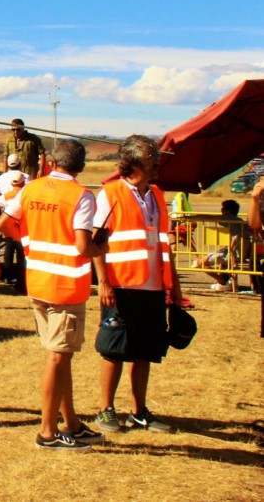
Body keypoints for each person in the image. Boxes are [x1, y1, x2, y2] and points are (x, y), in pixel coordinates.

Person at [0, 139, 108, 450]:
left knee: (61, 357)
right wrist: (103, 246)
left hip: (39, 283)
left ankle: (71, 422)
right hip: (66, 286)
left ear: (54, 162)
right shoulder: (81, 196)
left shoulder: (32, 189)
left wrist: (30, 242)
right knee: (57, 357)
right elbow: (83, 246)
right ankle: (47, 431)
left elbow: (4, 223)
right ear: (81, 167)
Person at [93, 135, 184, 434]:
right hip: (121, 284)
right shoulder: (110, 193)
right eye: (150, 158)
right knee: (114, 349)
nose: (157, 163)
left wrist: (174, 286)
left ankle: (139, 412)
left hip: (153, 286)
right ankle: (106, 409)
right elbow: (98, 242)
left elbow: (164, 243)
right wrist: (103, 283)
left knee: (145, 350)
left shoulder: (158, 195)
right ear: (132, 162)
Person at [0, 153, 30, 288]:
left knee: (8, 249)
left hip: (7, 222)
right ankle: (21, 279)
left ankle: (7, 276)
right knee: (21, 253)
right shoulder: (26, 181)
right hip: (22, 224)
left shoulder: (2, 179)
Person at [195, 200, 244, 291]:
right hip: (241, 253)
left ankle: (222, 281)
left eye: (222, 209)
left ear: (227, 211)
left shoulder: (229, 218)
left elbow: (209, 218)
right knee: (221, 261)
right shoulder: (240, 221)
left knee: (201, 263)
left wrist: (190, 217)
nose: (221, 211)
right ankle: (224, 281)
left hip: (233, 253)